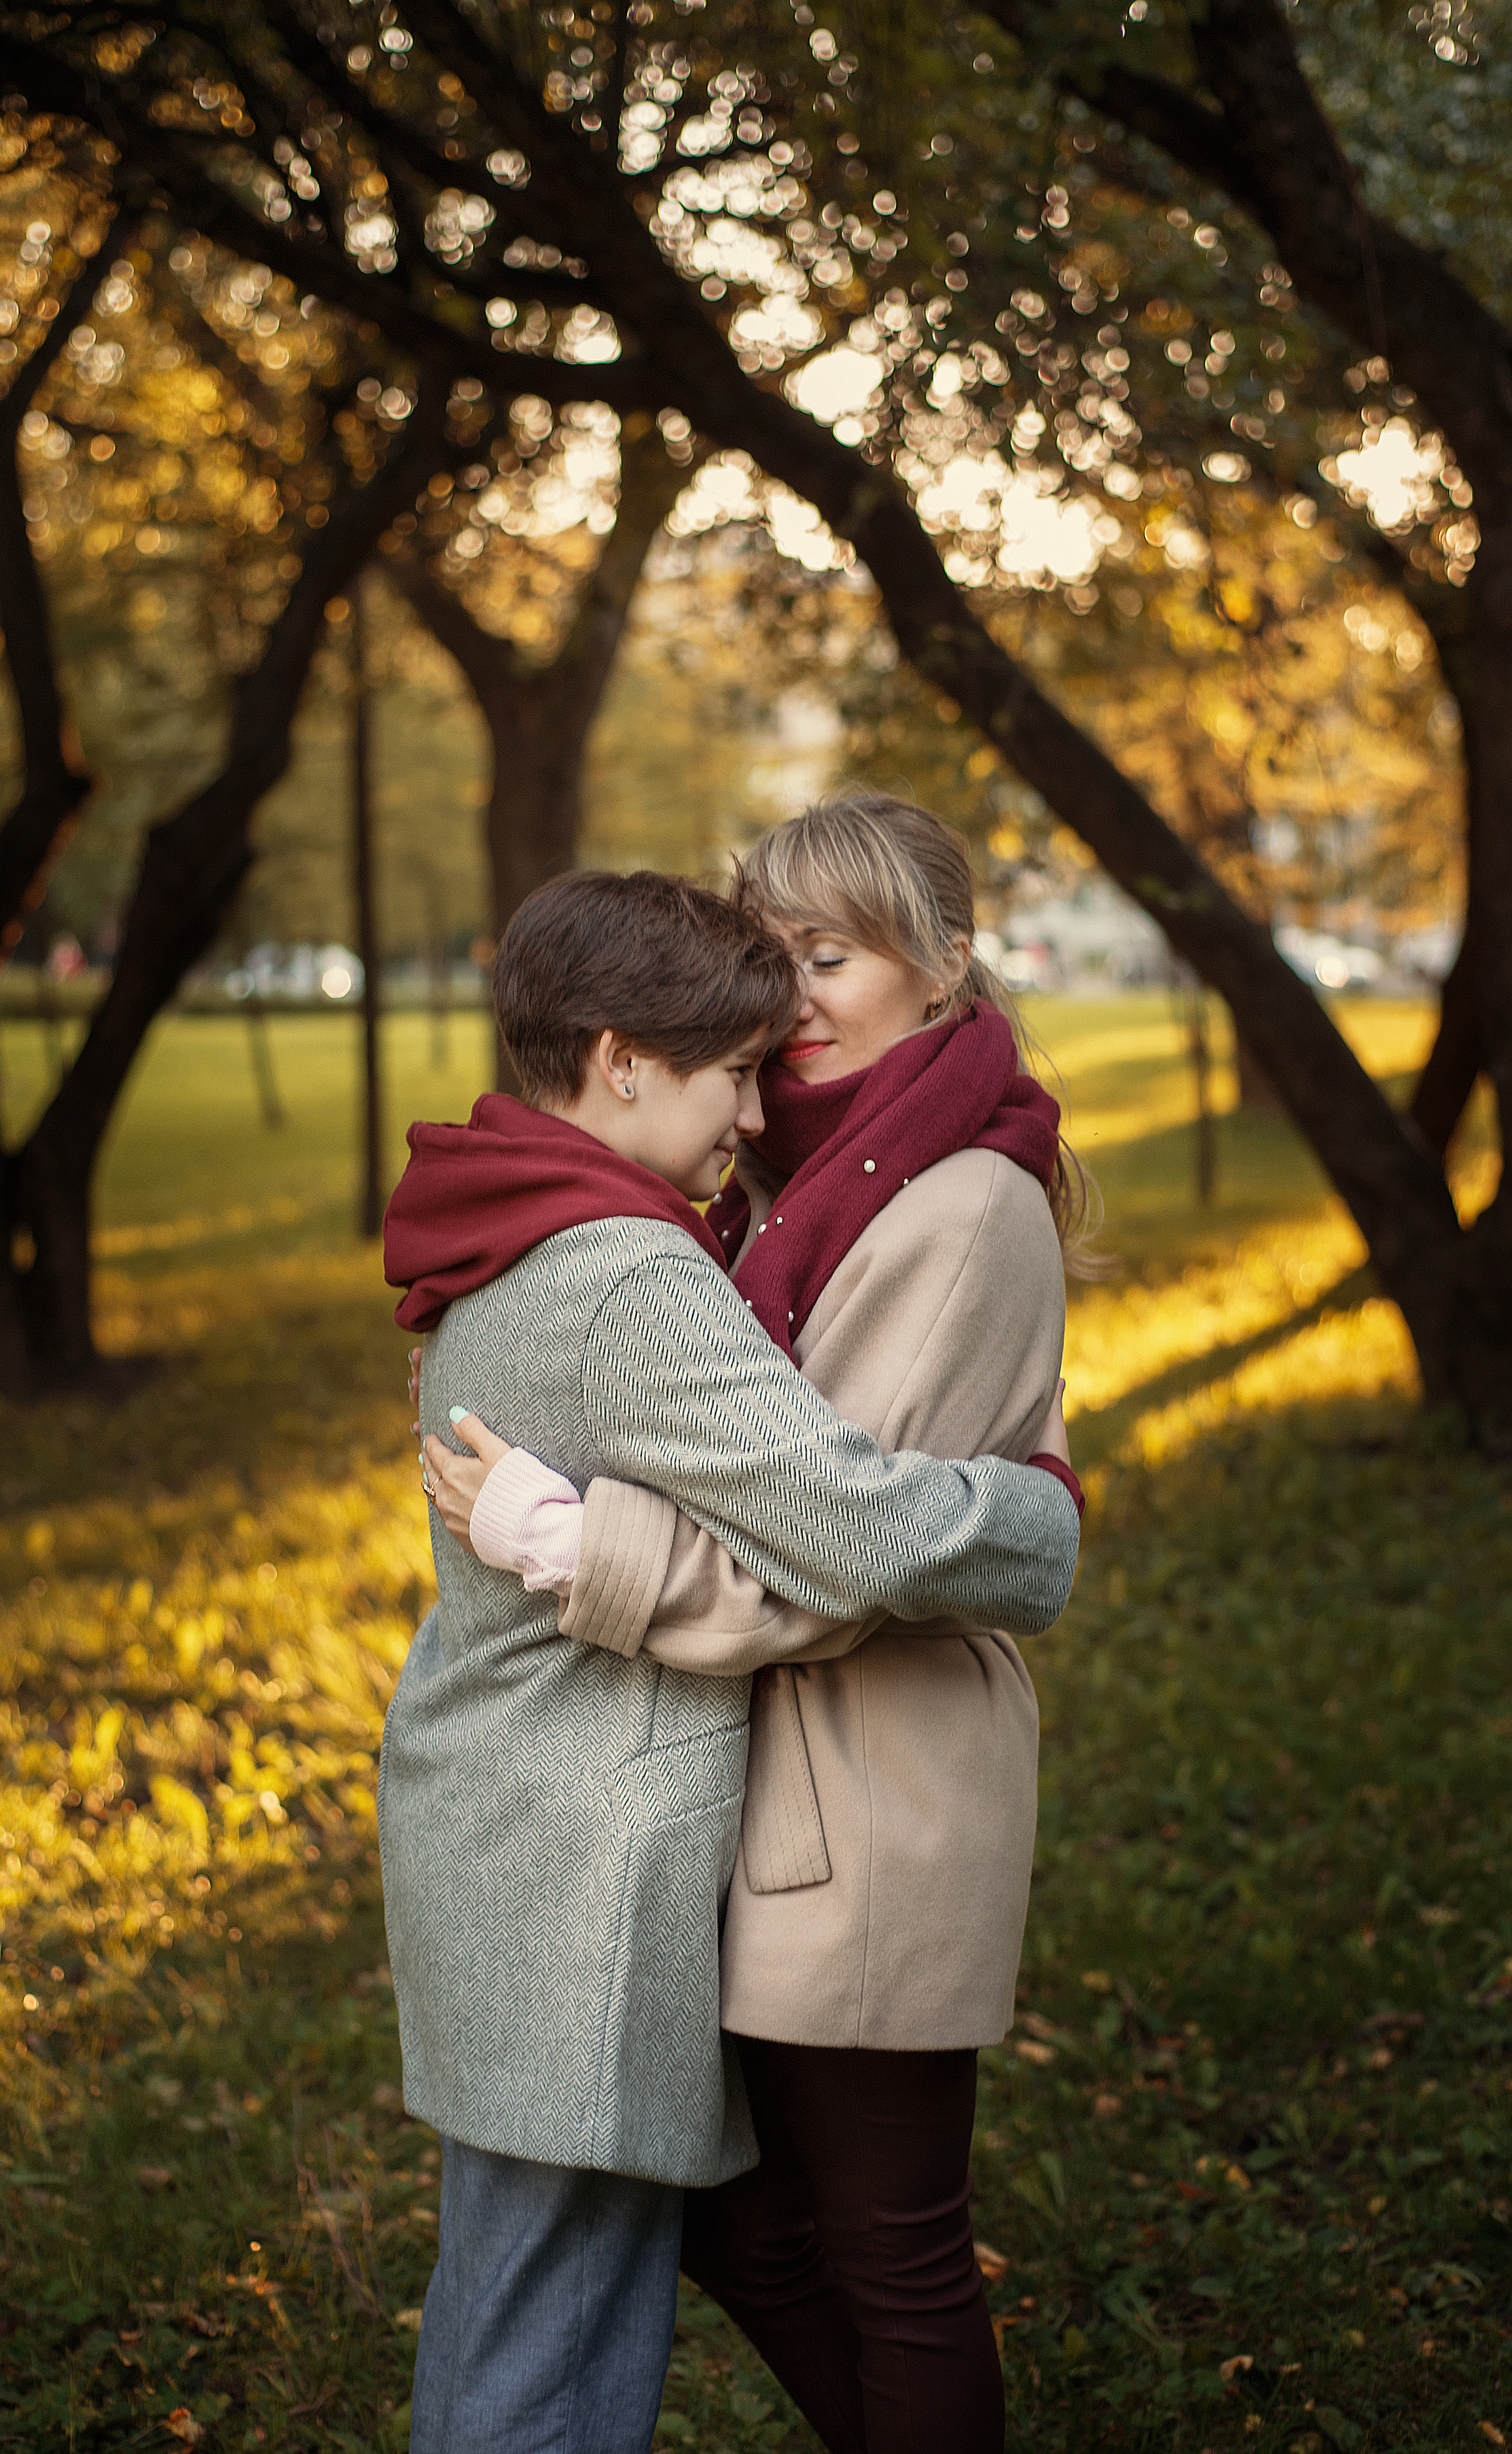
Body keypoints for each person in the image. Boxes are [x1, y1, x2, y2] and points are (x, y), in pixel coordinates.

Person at [378, 864, 1082, 2454]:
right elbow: (854, 1526)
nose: (755, 1111)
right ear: (621, 1060)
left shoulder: (505, 1219)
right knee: (542, 2348)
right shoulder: (632, 1271)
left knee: (510, 2293)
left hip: (495, 1827)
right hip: (579, 1869)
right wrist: (1030, 1515)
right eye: (729, 1070)